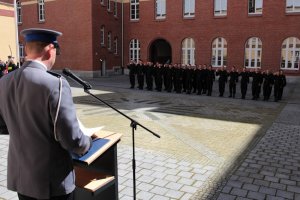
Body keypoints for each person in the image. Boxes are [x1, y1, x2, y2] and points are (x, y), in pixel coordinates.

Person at [0, 28, 92, 200]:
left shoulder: (4, 82)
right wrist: (88, 142)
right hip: (52, 183)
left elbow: (3, 125)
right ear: (51, 49)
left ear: (27, 49)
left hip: (23, 179)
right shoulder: (55, 84)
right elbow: (72, 139)